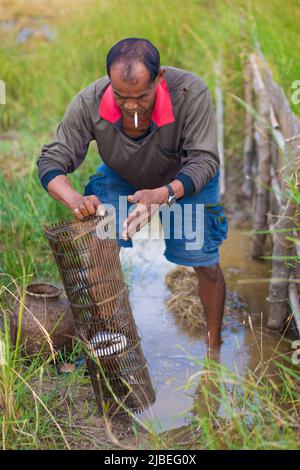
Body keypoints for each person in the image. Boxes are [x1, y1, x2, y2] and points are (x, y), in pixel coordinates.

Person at [37, 37, 228, 348]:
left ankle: (213, 345)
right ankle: (113, 338)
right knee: (101, 242)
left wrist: (163, 194)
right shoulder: (90, 101)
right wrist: (74, 200)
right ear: (109, 83)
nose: (131, 106)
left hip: (185, 182)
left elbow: (204, 159)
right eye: (121, 96)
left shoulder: (190, 93)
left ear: (160, 78)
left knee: (202, 258)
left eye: (141, 96)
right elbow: (51, 160)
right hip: (122, 177)